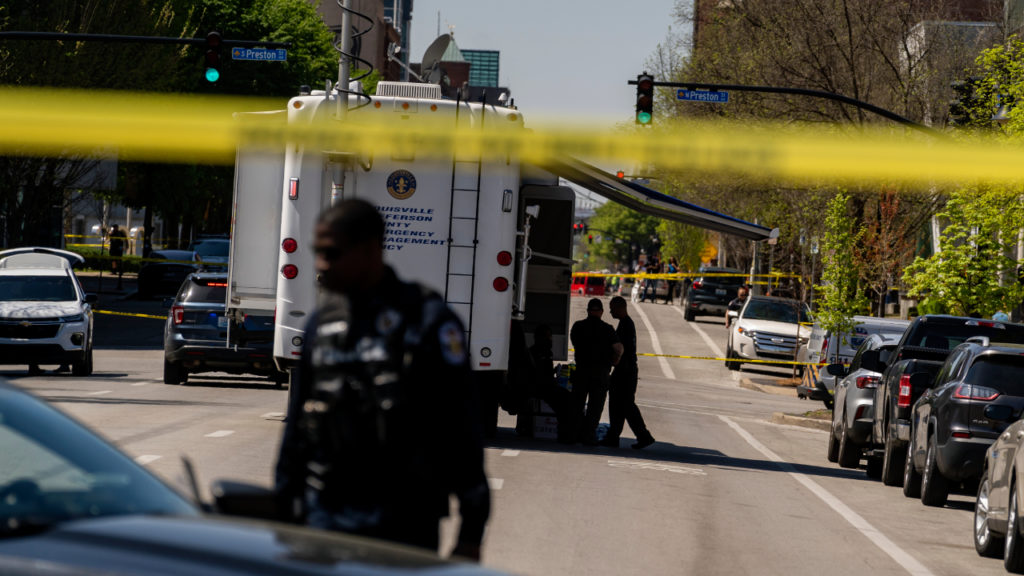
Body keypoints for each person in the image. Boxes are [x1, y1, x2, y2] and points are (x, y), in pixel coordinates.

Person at [274, 199, 490, 560]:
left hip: (404, 524)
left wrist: (471, 531)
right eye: (319, 253)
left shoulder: (429, 322)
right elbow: (296, 429)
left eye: (332, 253)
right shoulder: (321, 325)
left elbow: (462, 430)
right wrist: (283, 513)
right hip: (325, 520)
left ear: (370, 249)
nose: (321, 265)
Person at [601, 297, 655, 449]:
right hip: (624, 370)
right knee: (618, 404)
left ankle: (643, 436)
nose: (610, 311)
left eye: (612, 308)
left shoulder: (626, 325)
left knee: (625, 405)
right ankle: (614, 436)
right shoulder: (625, 324)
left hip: (626, 370)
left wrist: (613, 362)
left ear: (620, 308)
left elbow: (620, 350)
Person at [569, 298, 623, 445]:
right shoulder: (608, 329)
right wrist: (614, 361)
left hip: (581, 371)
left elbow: (575, 343)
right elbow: (619, 348)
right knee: (595, 406)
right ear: (601, 312)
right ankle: (588, 436)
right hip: (600, 373)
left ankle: (573, 434)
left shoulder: (578, 326)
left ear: (588, 311)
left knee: (577, 404)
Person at [108, 224, 127, 290]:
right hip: (113, 248)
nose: (115, 229)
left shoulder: (120, 233)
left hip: (118, 249)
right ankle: (114, 271)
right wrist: (111, 232)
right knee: (113, 260)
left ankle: (120, 270)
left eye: (115, 227)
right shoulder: (112, 232)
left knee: (119, 260)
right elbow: (109, 236)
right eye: (114, 228)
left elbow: (124, 239)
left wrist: (124, 246)